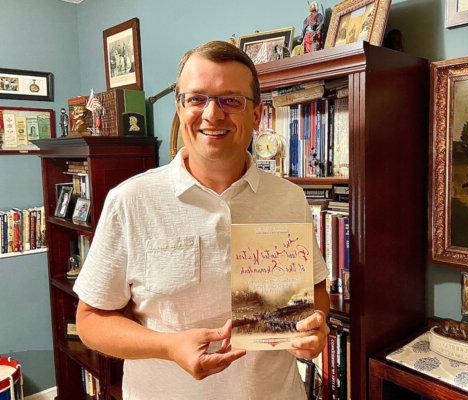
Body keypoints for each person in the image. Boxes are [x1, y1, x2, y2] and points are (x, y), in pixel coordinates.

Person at [74, 40, 329, 400]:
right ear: (180, 108)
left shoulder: (289, 198)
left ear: (256, 116)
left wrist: (315, 326)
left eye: (231, 100)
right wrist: (168, 347)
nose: (212, 114)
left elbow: (314, 290)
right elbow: (90, 321)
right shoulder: (130, 201)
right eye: (196, 99)